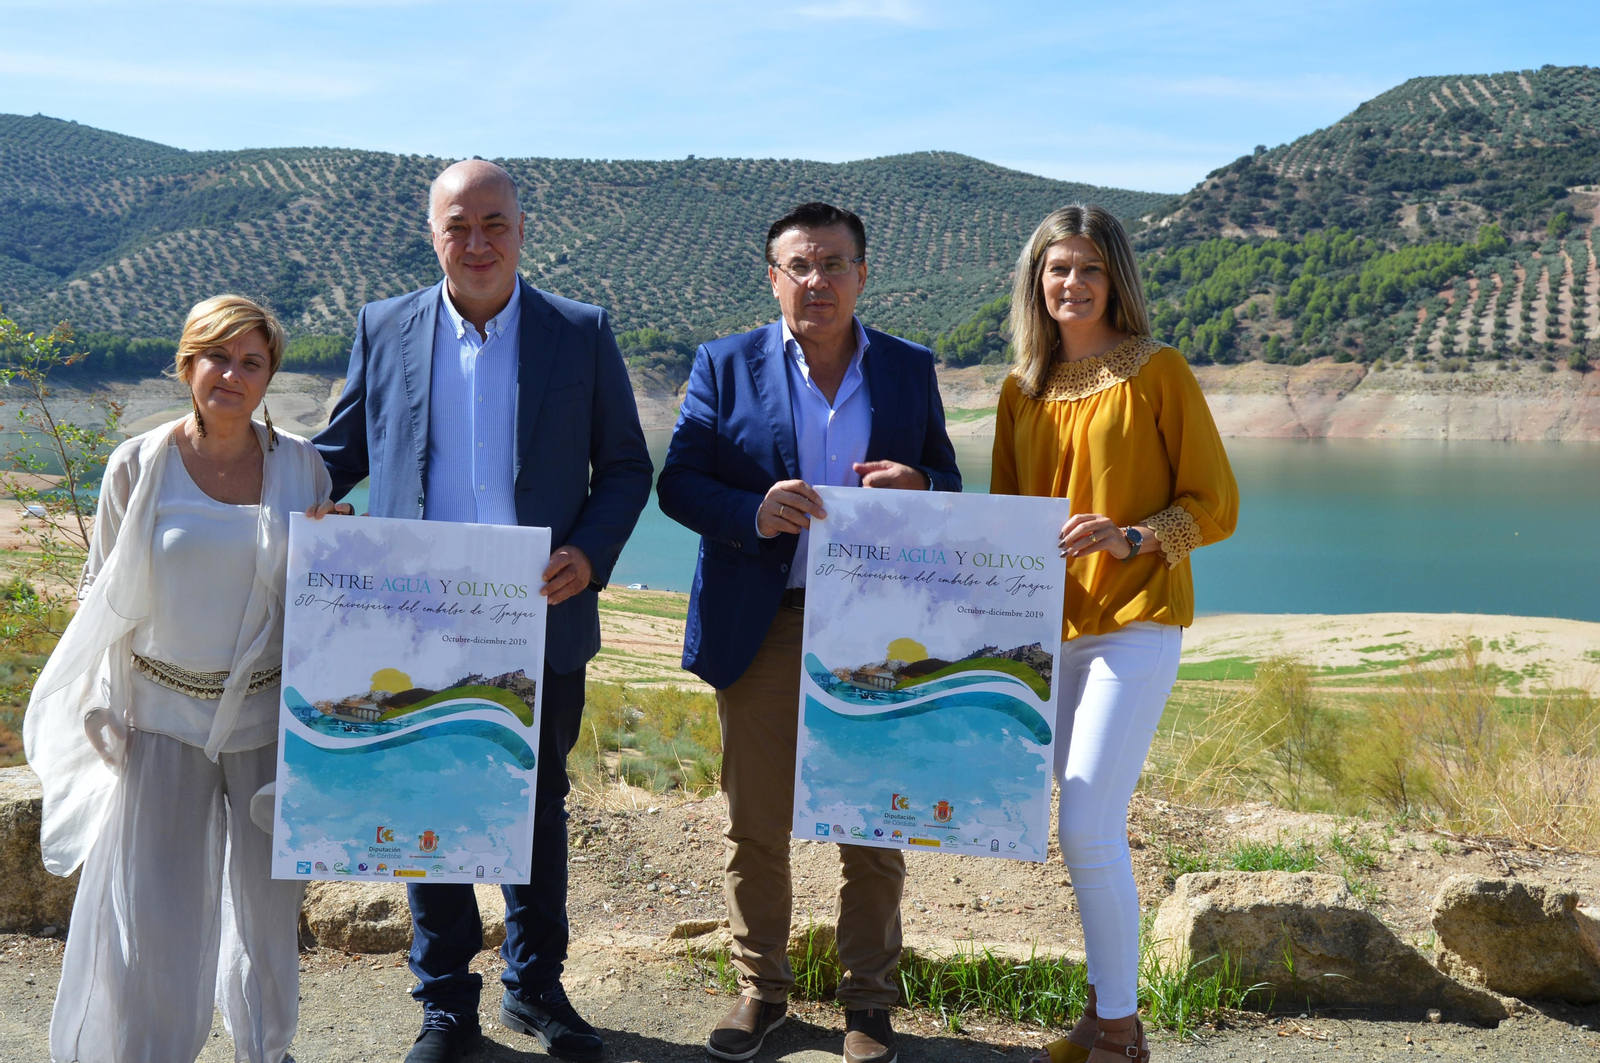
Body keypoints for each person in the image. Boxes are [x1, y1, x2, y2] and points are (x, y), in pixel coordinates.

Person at [313, 159, 652, 1063]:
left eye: (494, 223)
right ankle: (445, 1003)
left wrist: (589, 552)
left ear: (521, 230)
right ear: (434, 235)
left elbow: (625, 467)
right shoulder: (384, 326)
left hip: (538, 615)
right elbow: (340, 449)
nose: (477, 242)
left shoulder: (579, 332)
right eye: (458, 226)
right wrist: (285, 491)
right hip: (414, 619)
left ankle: (535, 990)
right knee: (428, 801)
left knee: (534, 806)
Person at [657, 201, 961, 1063]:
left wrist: (924, 486)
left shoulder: (908, 367)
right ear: (774, 277)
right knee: (757, 822)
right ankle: (763, 992)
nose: (817, 281)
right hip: (763, 626)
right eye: (800, 265)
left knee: (874, 820)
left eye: (834, 264)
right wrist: (750, 510)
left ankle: (868, 1003)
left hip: (873, 630)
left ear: (863, 275)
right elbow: (678, 482)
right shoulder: (724, 364)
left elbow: (947, 473)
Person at [24, 295, 346, 1063]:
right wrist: (104, 709)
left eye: (252, 361)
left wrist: (337, 555)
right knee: (156, 920)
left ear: (271, 375)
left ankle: (264, 1051)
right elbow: (100, 593)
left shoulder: (302, 465)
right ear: (187, 364)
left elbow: (325, 595)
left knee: (269, 918)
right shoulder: (136, 464)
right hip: (160, 719)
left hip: (269, 723)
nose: (232, 374)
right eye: (217, 356)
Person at [989, 206, 1238, 1063]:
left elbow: (1216, 505)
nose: (1072, 284)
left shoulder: (1158, 371)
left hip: (1135, 621)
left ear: (1115, 277)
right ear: (1037, 282)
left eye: (1089, 268)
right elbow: (1008, 523)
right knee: (1077, 823)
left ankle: (1123, 1034)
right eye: (1057, 268)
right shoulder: (1020, 389)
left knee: (1088, 821)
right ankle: (1100, 1016)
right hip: (1048, 634)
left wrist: (1129, 536)